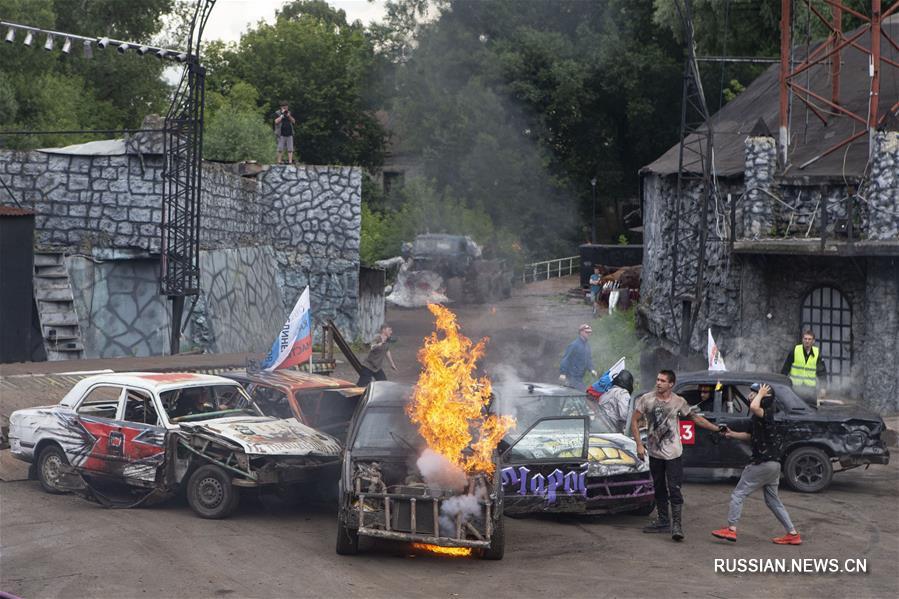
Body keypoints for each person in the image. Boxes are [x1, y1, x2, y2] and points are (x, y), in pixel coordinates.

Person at [631, 369, 723, 541]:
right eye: (658, 379)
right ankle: (664, 521)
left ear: (671, 384)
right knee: (658, 488)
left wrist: (716, 429)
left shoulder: (678, 402)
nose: (658, 383)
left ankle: (677, 526)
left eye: (663, 381)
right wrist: (638, 444)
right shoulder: (647, 399)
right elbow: (634, 420)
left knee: (674, 489)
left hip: (673, 454)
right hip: (655, 453)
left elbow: (695, 418)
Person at [712, 383, 802, 545]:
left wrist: (760, 393)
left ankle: (731, 529)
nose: (751, 395)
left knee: (738, 494)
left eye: (754, 393)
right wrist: (732, 434)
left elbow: (754, 407)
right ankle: (793, 534)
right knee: (773, 501)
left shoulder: (765, 412)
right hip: (773, 466)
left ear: (763, 398)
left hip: (762, 463)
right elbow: (749, 436)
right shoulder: (758, 417)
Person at [781, 329, 826, 400]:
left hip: (810, 389)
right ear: (802, 340)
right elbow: (786, 369)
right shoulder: (795, 351)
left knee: (810, 409)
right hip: (795, 387)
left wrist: (823, 388)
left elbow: (822, 372)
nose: (807, 341)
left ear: (813, 341)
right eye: (805, 339)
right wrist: (782, 384)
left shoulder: (817, 353)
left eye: (809, 339)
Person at [559, 324, 597, 388]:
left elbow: (588, 359)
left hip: (580, 377)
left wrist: (592, 369)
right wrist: (563, 373)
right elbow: (566, 359)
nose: (588, 334)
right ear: (581, 332)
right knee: (582, 393)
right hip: (572, 377)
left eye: (589, 332)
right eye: (587, 332)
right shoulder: (574, 345)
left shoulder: (587, 346)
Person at [274, 100, 296, 165]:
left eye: (286, 107)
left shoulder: (289, 113)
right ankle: (279, 161)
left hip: (289, 133)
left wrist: (289, 116)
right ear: (281, 107)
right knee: (280, 148)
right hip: (281, 134)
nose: (285, 108)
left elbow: (294, 121)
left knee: (290, 149)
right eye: (284, 107)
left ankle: (290, 162)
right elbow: (276, 121)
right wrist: (282, 115)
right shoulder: (277, 113)